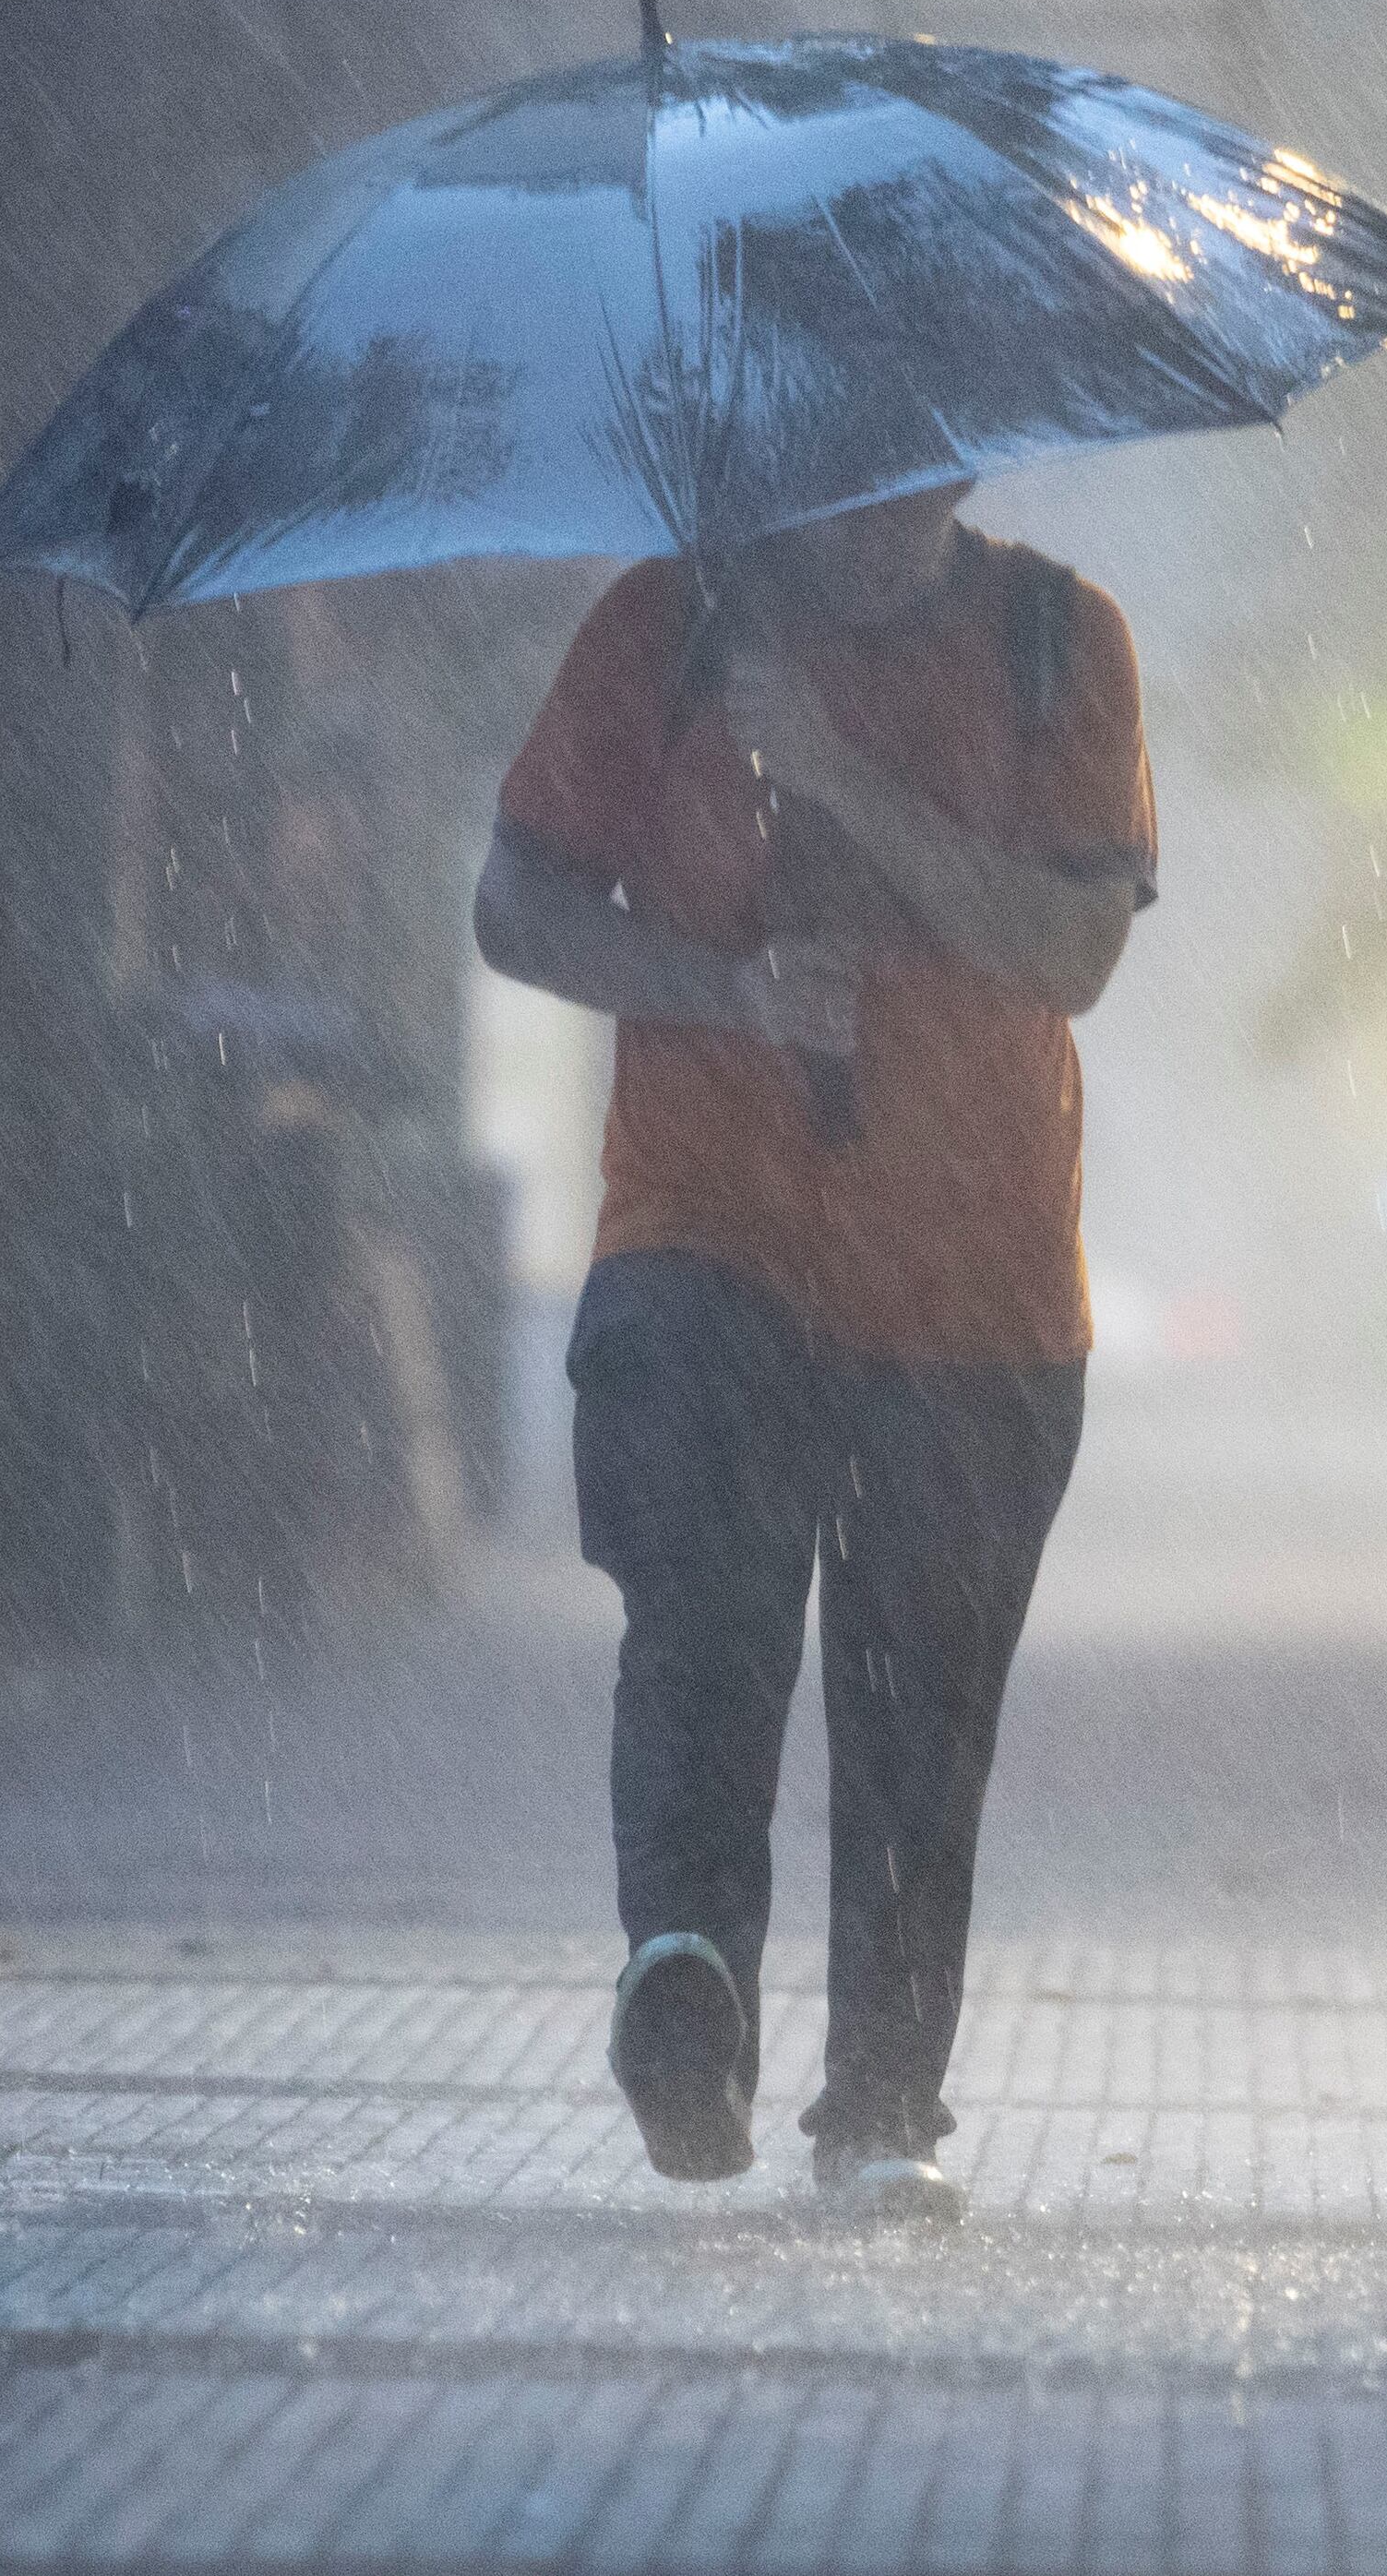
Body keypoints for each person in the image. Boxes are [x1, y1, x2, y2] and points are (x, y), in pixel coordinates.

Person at [473, 482, 1154, 2224]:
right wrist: (727, 989)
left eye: (910, 461)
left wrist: (845, 773)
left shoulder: (1056, 642)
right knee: (701, 1609)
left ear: (966, 465)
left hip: (976, 1284)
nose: (872, 501)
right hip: (709, 1234)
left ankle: (880, 2102)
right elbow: (519, 909)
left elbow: (1070, 948)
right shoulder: (670, 626)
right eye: (836, 457)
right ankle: (685, 1977)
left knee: (921, 1708)